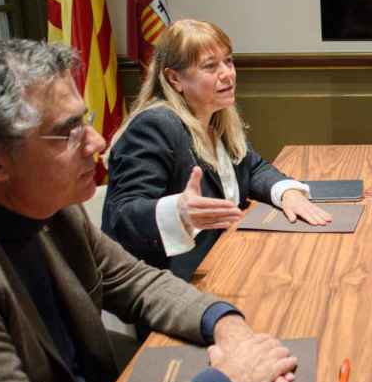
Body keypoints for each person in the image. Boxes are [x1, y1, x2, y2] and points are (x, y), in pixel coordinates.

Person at [0, 37, 298, 382]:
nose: (99, 142)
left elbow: (135, 282)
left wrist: (226, 324)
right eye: (68, 131)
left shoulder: (48, 203)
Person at [103, 19, 331, 281]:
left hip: (228, 257)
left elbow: (252, 166)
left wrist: (287, 192)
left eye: (229, 61)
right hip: (173, 281)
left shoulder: (216, 117)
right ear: (174, 78)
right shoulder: (156, 125)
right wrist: (177, 211)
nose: (227, 73)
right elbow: (121, 214)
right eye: (210, 66)